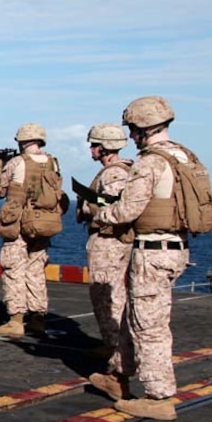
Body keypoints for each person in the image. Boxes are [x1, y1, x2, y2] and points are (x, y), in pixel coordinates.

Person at [88, 96, 204, 421]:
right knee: (135, 315)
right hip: (176, 248)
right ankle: (117, 375)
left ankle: (159, 396)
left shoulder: (150, 162)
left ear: (141, 128)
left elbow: (129, 209)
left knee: (149, 325)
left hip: (152, 251)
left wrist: (102, 211)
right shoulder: (184, 156)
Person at [0, 123, 68, 338]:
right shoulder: (53, 163)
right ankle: (38, 318)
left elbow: (0, 190)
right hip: (44, 222)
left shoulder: (17, 163)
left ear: (22, 141)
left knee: (14, 268)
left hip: (20, 222)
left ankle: (16, 320)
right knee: (36, 270)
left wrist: (0, 168)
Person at [76, 124, 133, 359]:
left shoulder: (113, 173)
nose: (91, 150)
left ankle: (114, 346)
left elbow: (111, 206)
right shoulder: (125, 169)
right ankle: (114, 344)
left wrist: (88, 204)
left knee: (106, 293)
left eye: (94, 145)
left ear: (105, 148)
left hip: (108, 241)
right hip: (114, 239)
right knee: (113, 292)